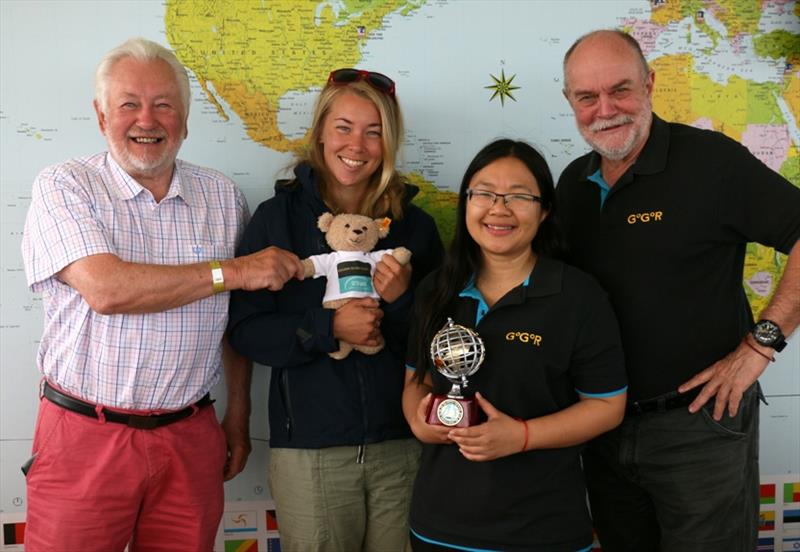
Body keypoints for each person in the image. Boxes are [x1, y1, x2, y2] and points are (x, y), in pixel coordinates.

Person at [20, 37, 304, 552]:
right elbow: (107, 289)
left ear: (185, 119)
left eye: (163, 104)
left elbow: (234, 323)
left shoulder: (222, 196)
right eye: (129, 104)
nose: (146, 120)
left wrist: (237, 416)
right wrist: (233, 271)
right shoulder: (65, 185)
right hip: (85, 436)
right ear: (102, 116)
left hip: (190, 435)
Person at [557, 29, 800, 552]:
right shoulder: (571, 185)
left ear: (649, 83)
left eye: (620, 89)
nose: (606, 109)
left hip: (700, 429)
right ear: (570, 101)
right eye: (587, 96)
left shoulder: (710, 162)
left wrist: (761, 344)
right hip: (600, 428)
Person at [227, 68, 444, 552]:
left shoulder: (417, 228)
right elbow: (246, 332)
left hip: (402, 448)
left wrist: (403, 302)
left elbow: (445, 341)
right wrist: (328, 327)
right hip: (310, 455)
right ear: (321, 132)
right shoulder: (275, 219)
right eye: (344, 127)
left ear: (389, 142)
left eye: (374, 132)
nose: (357, 145)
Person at [402, 139, 628, 552]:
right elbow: (414, 382)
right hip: (438, 527)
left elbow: (607, 407)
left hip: (543, 532)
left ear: (544, 212)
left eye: (519, 197)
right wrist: (420, 422)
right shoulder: (437, 288)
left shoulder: (579, 296)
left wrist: (520, 436)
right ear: (466, 202)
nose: (498, 208)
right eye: (484, 193)